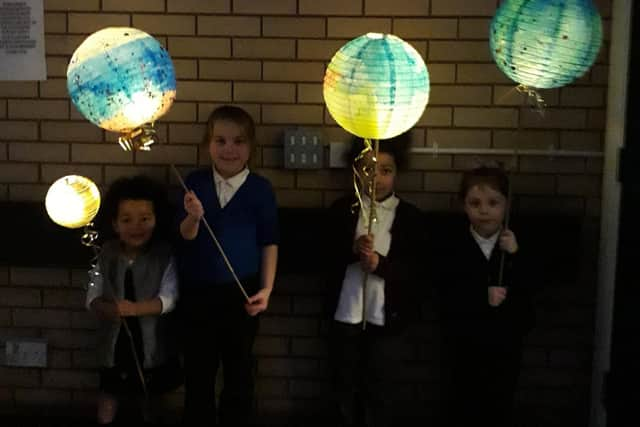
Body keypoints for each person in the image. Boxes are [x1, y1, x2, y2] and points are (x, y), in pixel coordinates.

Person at [177, 105, 279, 427]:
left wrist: (267, 288)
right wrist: (193, 217)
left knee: (239, 372)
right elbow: (185, 236)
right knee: (198, 372)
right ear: (208, 144)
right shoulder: (194, 182)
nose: (229, 149)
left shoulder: (261, 190)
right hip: (198, 293)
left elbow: (270, 242)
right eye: (220, 141)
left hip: (242, 293)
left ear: (250, 147)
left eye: (238, 141)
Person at [325, 132, 426, 427]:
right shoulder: (342, 211)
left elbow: (416, 271)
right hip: (346, 315)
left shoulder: (410, 217)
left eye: (385, 170)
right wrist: (351, 250)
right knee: (344, 383)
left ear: (397, 173)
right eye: (368, 169)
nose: (376, 178)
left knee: (381, 388)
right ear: (355, 171)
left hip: (387, 321)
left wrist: (380, 265)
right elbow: (324, 255)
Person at [436, 165, 535, 427]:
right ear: (463, 205)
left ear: (506, 205)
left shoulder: (516, 247)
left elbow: (530, 296)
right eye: (475, 203)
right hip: (464, 347)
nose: (484, 210)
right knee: (463, 404)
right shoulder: (453, 246)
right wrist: (482, 297)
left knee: (499, 405)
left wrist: (515, 255)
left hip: (505, 347)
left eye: (493, 203)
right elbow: (446, 295)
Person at [86, 175, 181, 426]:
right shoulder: (106, 253)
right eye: (126, 220)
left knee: (150, 395)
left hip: (150, 340)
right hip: (115, 343)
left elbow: (169, 298)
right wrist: (103, 307)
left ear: (157, 219)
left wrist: (135, 309)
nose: (136, 227)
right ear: (115, 224)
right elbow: (93, 290)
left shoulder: (163, 255)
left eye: (144, 219)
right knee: (109, 390)